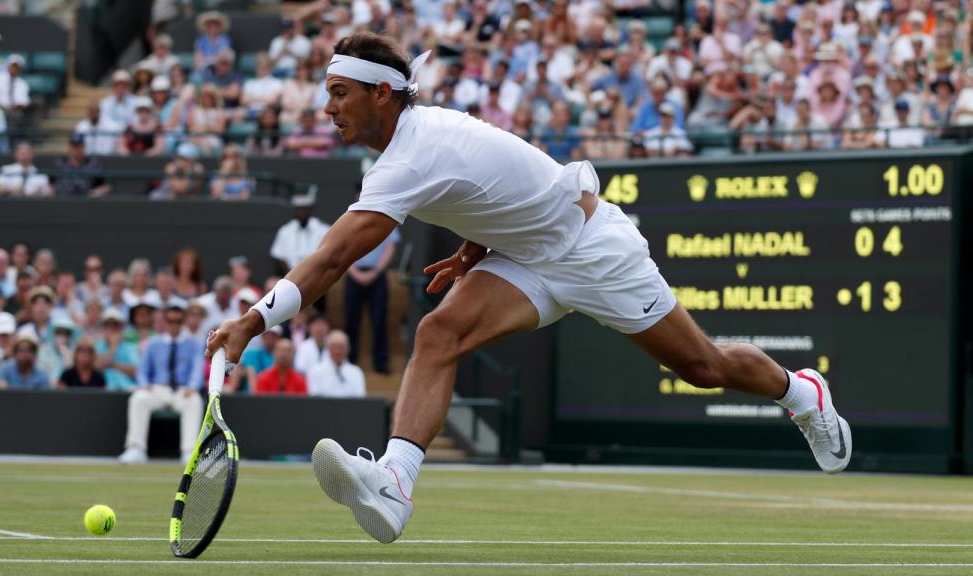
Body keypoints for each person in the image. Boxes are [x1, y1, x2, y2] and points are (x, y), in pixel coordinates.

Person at [208, 32, 852, 545]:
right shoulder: (413, 145)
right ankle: (395, 486)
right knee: (438, 333)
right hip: (524, 254)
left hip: (592, 248)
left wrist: (251, 321)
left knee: (702, 367)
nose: (328, 108)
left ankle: (802, 392)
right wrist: (475, 243)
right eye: (328, 93)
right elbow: (500, 184)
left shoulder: (411, 154)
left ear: (382, 95)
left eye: (340, 92)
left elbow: (328, 261)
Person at [118, 299, 204, 464]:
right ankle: (136, 449)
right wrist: (144, 385)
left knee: (194, 401)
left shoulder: (194, 344)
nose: (174, 325)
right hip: (157, 389)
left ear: (183, 322)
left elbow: (196, 370)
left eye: (178, 321)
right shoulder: (153, 343)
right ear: (165, 322)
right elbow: (142, 370)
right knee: (138, 398)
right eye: (171, 321)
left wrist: (192, 387)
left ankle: (189, 452)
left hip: (182, 390)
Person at [345, 213, 399, 374]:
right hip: (354, 275)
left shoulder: (386, 217)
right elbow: (342, 248)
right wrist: (354, 273)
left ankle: (381, 362)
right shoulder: (348, 219)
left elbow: (390, 248)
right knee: (351, 319)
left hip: (377, 276)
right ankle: (349, 360)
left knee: (379, 319)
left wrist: (375, 272)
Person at [269, 195, 331, 276]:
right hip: (290, 274)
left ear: (310, 210)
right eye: (299, 209)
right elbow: (279, 256)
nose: (302, 212)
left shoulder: (323, 229)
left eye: (305, 209)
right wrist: (291, 276)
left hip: (317, 275)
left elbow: (328, 254)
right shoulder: (285, 230)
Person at [306, 330, 365, 398]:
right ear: (327, 348)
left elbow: (360, 399)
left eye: (341, 347)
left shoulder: (356, 372)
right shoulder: (315, 371)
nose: (337, 351)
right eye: (334, 347)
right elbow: (315, 398)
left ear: (347, 349)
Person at [95, 307, 140, 391]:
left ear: (121, 328)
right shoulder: (98, 345)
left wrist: (113, 364)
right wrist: (113, 347)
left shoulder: (130, 346)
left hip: (128, 389)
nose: (111, 328)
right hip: (103, 391)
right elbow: (96, 366)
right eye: (107, 325)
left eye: (115, 325)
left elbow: (137, 371)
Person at [236, 325, 282, 392]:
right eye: (266, 335)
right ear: (262, 337)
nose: (269, 337)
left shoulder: (281, 357)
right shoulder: (251, 354)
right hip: (251, 396)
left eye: (273, 335)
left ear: (278, 338)